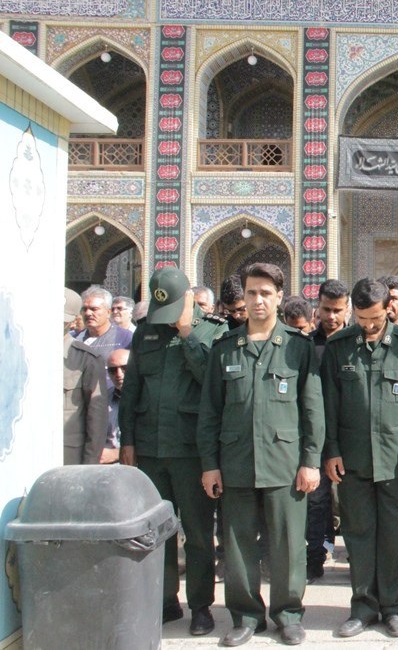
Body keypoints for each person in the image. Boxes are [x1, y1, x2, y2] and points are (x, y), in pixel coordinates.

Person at [198, 262, 325, 647]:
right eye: (252, 292)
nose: (258, 300)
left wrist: (311, 461)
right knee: (238, 546)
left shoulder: (298, 347)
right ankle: (246, 616)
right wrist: (210, 465)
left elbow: (312, 409)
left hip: (285, 463)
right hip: (236, 462)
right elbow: (210, 412)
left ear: (279, 297)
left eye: (266, 293)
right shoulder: (225, 348)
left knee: (288, 545)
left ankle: (288, 614)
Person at [119, 267, 227, 635]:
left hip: (191, 451)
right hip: (151, 450)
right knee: (155, 533)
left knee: (197, 534)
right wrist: (128, 441)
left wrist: (186, 333)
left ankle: (200, 605)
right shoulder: (145, 332)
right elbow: (131, 389)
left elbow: (213, 382)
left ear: (188, 301)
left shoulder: (214, 331)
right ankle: (164, 600)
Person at [321, 279, 398, 638]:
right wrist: (332, 450)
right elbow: (329, 403)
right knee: (358, 535)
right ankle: (363, 607)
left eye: (375, 319)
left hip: (396, 461)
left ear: (389, 309)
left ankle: (393, 607)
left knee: (394, 537)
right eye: (362, 318)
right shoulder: (338, 347)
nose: (368, 325)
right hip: (352, 461)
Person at [305, 279, 351, 582]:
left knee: (352, 501)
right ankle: (316, 556)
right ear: (317, 308)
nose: (331, 316)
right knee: (317, 501)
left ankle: (358, 556)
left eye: (337, 310)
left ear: (347, 309)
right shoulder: (307, 345)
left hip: (350, 436)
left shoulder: (355, 344)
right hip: (317, 438)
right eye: (326, 310)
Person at [63, 288, 107, 466]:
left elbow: (97, 418)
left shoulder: (86, 358)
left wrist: (89, 466)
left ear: (73, 320)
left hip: (68, 455)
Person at [75, 286, 133, 382]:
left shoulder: (126, 338)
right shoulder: (75, 339)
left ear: (108, 312)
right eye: (84, 309)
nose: (88, 313)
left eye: (94, 309)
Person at [102, 348, 129, 464]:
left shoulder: (149, 398)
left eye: (125, 368)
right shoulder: (103, 399)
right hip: (107, 466)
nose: (119, 374)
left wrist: (116, 454)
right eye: (113, 370)